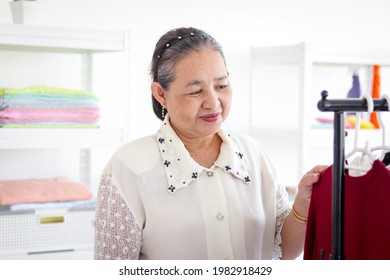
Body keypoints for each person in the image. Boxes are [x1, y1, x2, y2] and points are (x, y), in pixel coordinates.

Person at [93, 27, 327, 260]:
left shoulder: (253, 153)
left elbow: (283, 252)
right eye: (196, 91)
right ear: (161, 94)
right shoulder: (127, 169)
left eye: (221, 86)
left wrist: (303, 205)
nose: (213, 102)